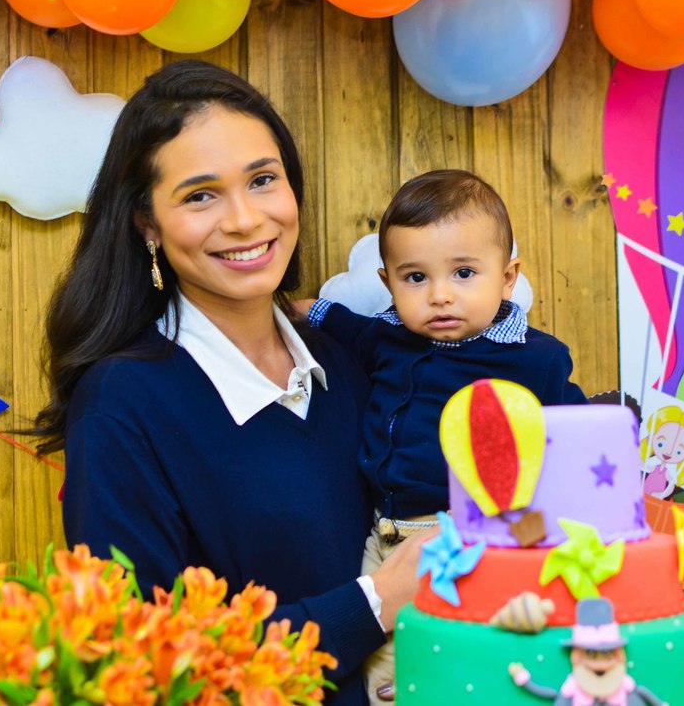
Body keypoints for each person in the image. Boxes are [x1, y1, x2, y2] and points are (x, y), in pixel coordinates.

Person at [34, 59, 433, 706]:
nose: (246, 219)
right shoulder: (121, 405)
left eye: (262, 179)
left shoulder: (355, 362)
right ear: (148, 225)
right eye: (200, 195)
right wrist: (378, 600)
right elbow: (147, 663)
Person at [300, 170, 590, 703]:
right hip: (382, 537)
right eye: (415, 278)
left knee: (471, 655)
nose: (439, 296)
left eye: (463, 273)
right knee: (385, 672)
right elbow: (334, 321)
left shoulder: (533, 359)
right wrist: (290, 309)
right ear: (389, 282)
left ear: (507, 278)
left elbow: (572, 440)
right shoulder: (387, 336)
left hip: (472, 536)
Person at [508, 598, 666, 705]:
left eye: (606, 653)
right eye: (590, 653)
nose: (599, 661)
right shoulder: (571, 692)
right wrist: (524, 679)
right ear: (576, 657)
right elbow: (550, 695)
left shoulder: (627, 690)